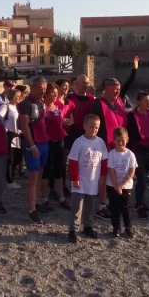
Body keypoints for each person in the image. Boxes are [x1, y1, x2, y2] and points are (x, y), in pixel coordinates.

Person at [91, 56, 139, 220]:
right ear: (106, 89)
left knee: (119, 174)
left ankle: (114, 202)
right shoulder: (98, 104)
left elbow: (128, 84)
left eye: (119, 89)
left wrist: (134, 69)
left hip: (121, 146)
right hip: (105, 146)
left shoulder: (119, 101)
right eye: (115, 89)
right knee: (104, 176)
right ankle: (102, 206)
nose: (118, 91)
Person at [67, 114, 109, 243]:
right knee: (77, 206)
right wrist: (74, 178)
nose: (94, 130)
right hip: (80, 180)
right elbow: (73, 161)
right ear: (84, 126)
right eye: (91, 127)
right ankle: (73, 230)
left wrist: (102, 176)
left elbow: (104, 160)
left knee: (90, 205)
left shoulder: (100, 142)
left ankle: (88, 226)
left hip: (93, 181)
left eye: (96, 128)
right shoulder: (79, 141)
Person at [18, 77, 49, 223]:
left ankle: (35, 203)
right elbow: (24, 127)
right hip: (34, 145)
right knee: (33, 177)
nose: (43, 91)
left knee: (40, 175)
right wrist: (31, 145)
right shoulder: (26, 104)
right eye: (40, 88)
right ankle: (31, 209)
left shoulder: (41, 103)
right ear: (33, 88)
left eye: (44, 88)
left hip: (43, 143)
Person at [127, 91, 149, 219]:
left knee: (144, 178)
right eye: (146, 101)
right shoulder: (132, 116)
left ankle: (141, 201)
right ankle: (139, 204)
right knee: (142, 178)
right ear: (139, 102)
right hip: (138, 149)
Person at [107, 127, 137, 238]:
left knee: (125, 207)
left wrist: (121, 184)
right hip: (112, 185)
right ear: (114, 140)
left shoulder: (130, 155)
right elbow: (111, 170)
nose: (120, 143)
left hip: (126, 186)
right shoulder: (111, 154)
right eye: (118, 140)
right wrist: (116, 185)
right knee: (114, 207)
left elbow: (131, 171)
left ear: (127, 139)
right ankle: (116, 227)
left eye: (123, 140)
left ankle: (128, 227)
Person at [43, 83, 69, 209]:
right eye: (52, 92)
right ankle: (44, 198)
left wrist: (65, 122)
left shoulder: (57, 106)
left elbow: (59, 122)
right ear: (46, 93)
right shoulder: (43, 107)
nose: (55, 95)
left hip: (58, 141)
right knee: (46, 172)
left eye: (56, 92)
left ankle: (61, 197)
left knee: (59, 170)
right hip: (47, 142)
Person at [0, 88, 22, 190]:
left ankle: (10, 176)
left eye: (20, 97)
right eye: (18, 97)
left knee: (18, 157)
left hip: (17, 135)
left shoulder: (16, 107)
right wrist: (4, 127)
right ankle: (9, 180)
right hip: (9, 135)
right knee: (9, 159)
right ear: (13, 96)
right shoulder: (6, 106)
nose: (19, 99)